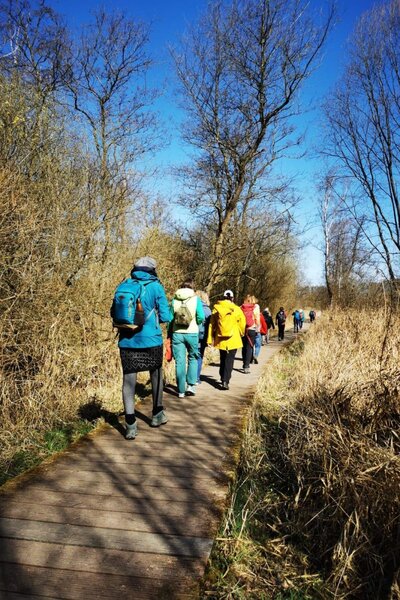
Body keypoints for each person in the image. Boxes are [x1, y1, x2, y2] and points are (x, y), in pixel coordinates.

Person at [115, 256, 171, 439]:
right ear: (153, 270)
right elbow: (165, 317)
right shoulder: (156, 286)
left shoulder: (124, 285)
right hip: (151, 340)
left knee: (128, 380)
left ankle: (130, 425)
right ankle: (157, 415)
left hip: (127, 340)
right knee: (156, 375)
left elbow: (114, 312)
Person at [170, 279, 204, 398]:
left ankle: (180, 391)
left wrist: (171, 331)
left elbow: (170, 317)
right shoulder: (196, 299)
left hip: (177, 333)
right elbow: (201, 316)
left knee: (180, 361)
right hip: (192, 333)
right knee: (193, 358)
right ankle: (190, 386)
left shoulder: (175, 299)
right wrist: (195, 323)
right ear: (192, 288)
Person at [207, 290, 246, 390]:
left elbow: (211, 325)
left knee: (223, 358)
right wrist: (241, 333)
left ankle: (222, 377)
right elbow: (242, 324)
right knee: (230, 359)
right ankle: (226, 380)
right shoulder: (237, 309)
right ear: (232, 298)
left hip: (220, 338)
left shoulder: (216, 309)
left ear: (223, 297)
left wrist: (210, 338)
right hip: (233, 338)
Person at [240, 295, 260, 373]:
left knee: (243, 347)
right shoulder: (256, 307)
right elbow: (257, 319)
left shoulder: (241, 307)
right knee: (249, 347)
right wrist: (258, 328)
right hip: (251, 329)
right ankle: (246, 366)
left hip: (242, 329)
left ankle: (244, 363)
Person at [196, 290, 212, 383]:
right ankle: (196, 378)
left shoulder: (191, 306)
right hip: (202, 336)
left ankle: (190, 377)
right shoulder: (207, 309)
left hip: (190, 334)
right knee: (199, 356)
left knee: (191, 356)